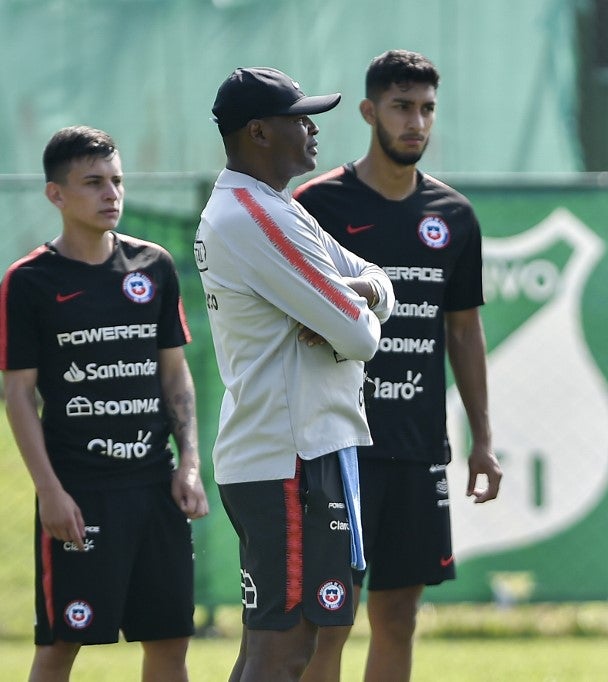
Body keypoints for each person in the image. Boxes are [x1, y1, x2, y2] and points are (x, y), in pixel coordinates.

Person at [293, 49, 502, 682]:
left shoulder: (455, 217)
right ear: (368, 111)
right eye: (402, 107)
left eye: (427, 109)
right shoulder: (316, 205)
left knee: (400, 616)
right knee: (328, 619)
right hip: (335, 445)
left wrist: (483, 440)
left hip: (415, 448)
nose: (416, 122)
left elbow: (463, 330)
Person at [195, 67, 394, 681]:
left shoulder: (276, 209)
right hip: (289, 457)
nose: (312, 130)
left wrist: (355, 295)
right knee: (283, 650)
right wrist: (357, 308)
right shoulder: (254, 216)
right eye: (299, 117)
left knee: (276, 646)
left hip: (302, 451)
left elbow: (379, 281)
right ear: (257, 131)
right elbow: (360, 335)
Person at [0, 125, 208, 682]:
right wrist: (49, 491)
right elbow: (18, 393)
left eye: (116, 181)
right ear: (56, 195)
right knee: (63, 643)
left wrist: (189, 463)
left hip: (154, 487)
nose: (111, 194)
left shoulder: (153, 266)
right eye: (93, 183)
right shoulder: (28, 281)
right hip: (80, 493)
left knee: (168, 642)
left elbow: (173, 372)